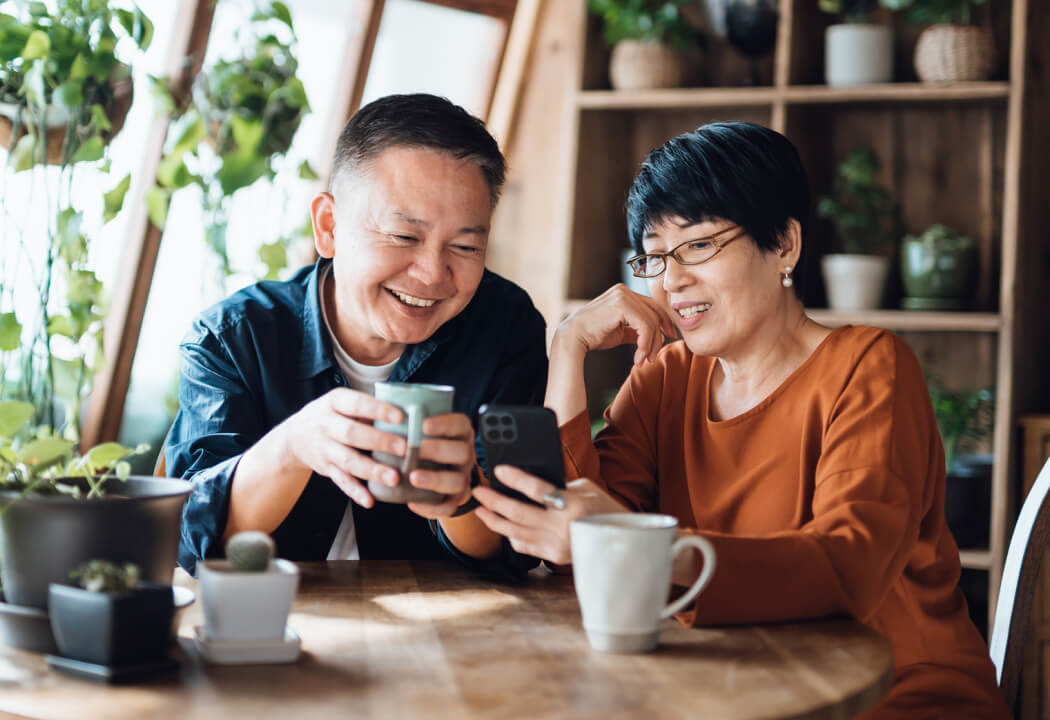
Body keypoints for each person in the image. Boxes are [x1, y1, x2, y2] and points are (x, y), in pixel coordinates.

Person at [472, 122, 1010, 718]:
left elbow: (847, 566)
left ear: (784, 244)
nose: (671, 279)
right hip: (737, 687)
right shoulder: (666, 376)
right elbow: (582, 533)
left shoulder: (869, 368)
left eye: (699, 245)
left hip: (894, 691)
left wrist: (637, 548)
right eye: (655, 255)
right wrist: (567, 349)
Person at [166, 93, 545, 578]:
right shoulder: (234, 339)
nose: (432, 274)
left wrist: (461, 498)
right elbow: (195, 543)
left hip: (445, 634)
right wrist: (294, 446)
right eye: (404, 237)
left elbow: (517, 548)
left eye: (466, 245)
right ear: (328, 226)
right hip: (273, 619)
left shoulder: (505, 327)